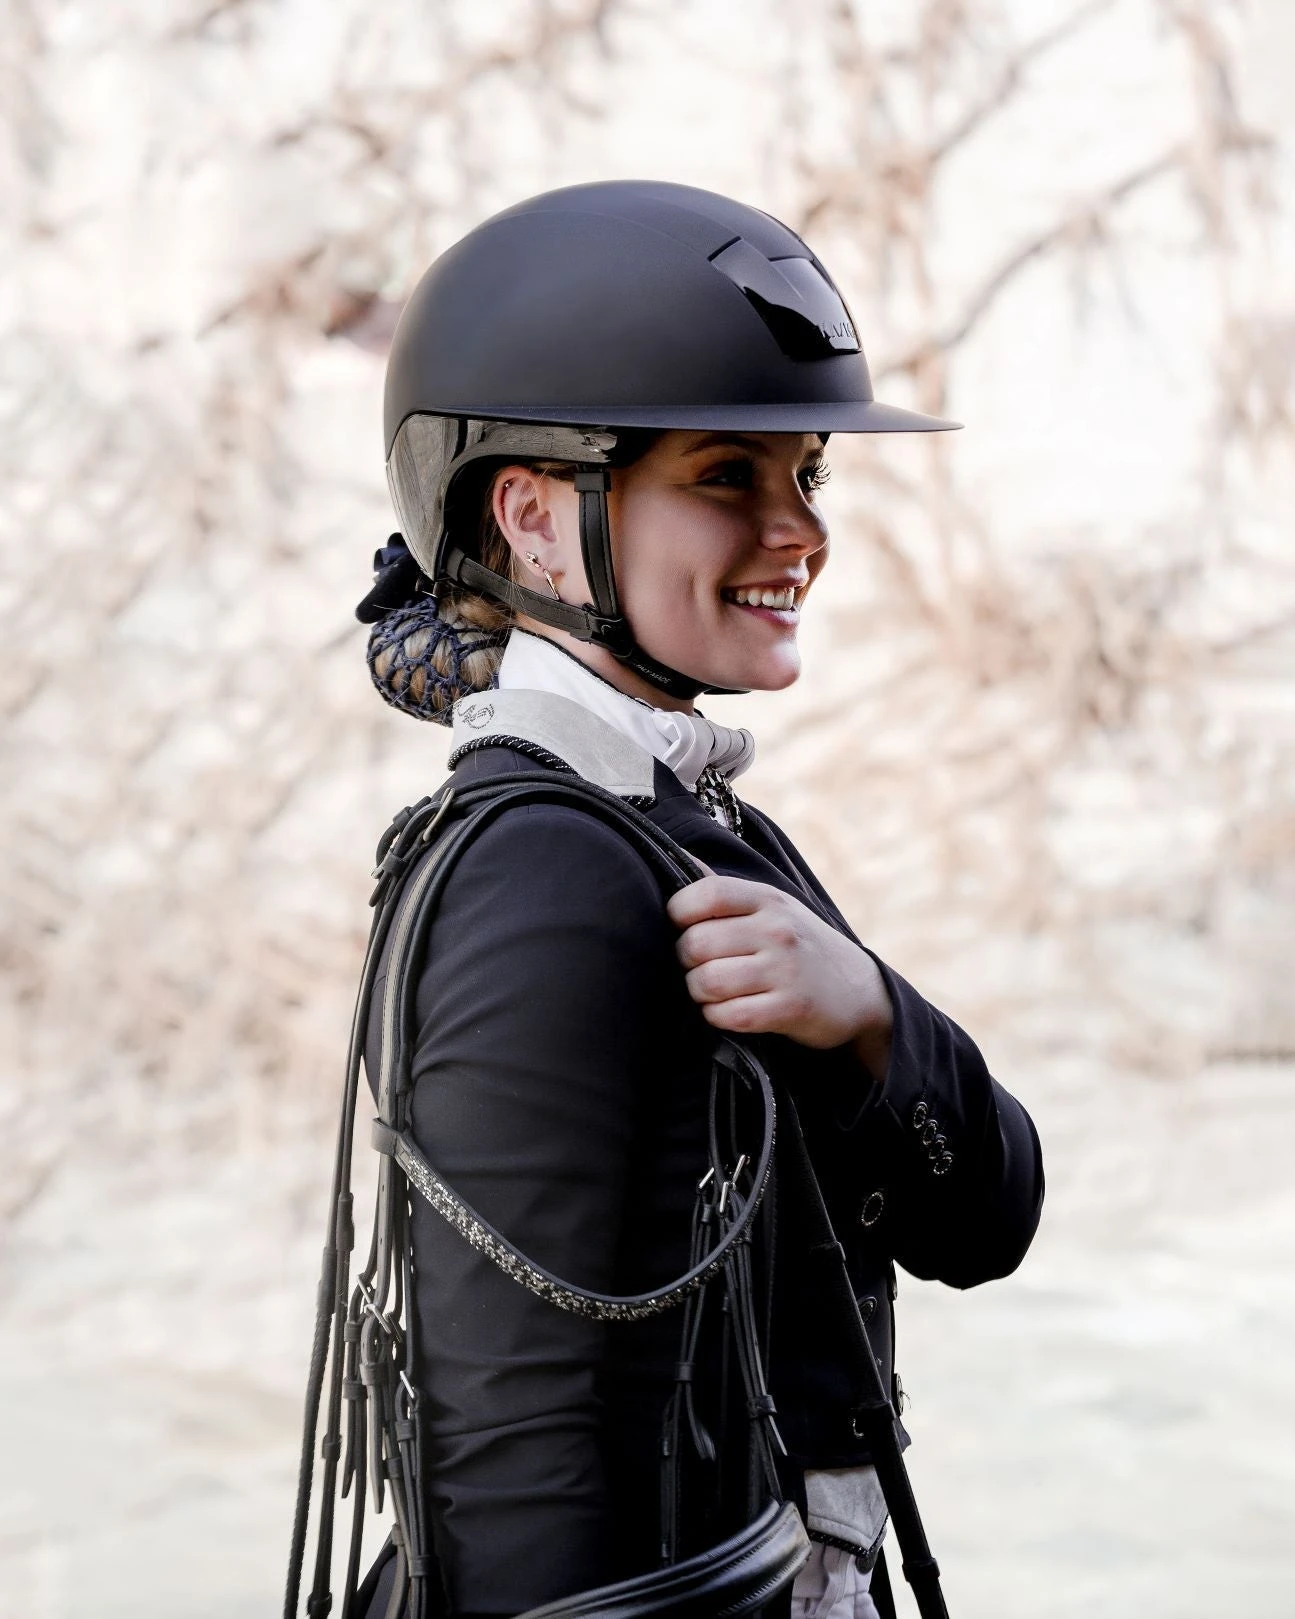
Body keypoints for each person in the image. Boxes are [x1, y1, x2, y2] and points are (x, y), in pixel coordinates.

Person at [350, 181, 1044, 1619]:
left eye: (808, 477)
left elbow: (987, 1218)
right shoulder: (540, 869)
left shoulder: (691, 821)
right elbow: (516, 1461)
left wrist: (869, 1017)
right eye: (728, 475)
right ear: (535, 521)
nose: (799, 532)